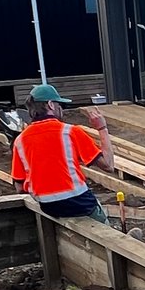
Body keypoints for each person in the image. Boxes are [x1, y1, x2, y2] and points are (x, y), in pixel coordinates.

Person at [9, 83, 112, 221]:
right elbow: (108, 165)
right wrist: (102, 128)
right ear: (51, 105)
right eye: (59, 105)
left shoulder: (20, 140)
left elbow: (19, 187)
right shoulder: (70, 132)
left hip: (48, 206)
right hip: (78, 202)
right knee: (100, 218)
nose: (61, 110)